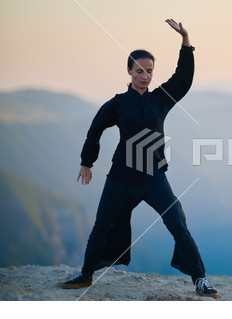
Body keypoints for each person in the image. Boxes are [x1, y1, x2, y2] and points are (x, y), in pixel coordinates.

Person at [61, 18, 218, 298]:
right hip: (121, 177)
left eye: (149, 72)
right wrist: (87, 162)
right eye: (139, 71)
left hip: (153, 176)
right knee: (102, 226)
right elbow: (95, 129)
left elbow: (183, 77)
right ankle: (85, 275)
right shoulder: (118, 103)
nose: (145, 76)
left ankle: (200, 279)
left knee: (178, 224)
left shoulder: (161, 98)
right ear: (129, 71)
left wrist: (185, 40)